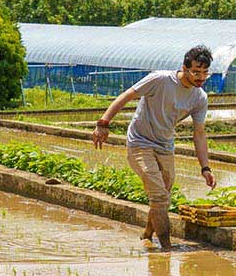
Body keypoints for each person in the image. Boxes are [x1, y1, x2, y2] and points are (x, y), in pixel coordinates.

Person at [92, 46, 217, 249]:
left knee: (163, 198)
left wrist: (205, 168)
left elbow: (199, 134)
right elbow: (127, 95)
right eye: (196, 72)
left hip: (165, 145)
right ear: (184, 68)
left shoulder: (199, 97)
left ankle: (147, 235)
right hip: (140, 142)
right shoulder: (160, 80)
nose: (201, 77)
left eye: (205, 73)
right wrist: (103, 123)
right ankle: (166, 247)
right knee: (159, 196)